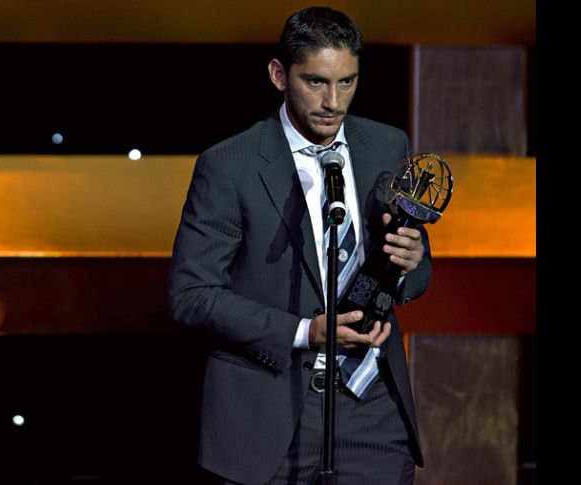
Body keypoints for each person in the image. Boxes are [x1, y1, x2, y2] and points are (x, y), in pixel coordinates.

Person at [169, 6, 430, 485]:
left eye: (347, 82)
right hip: (270, 414)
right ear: (278, 75)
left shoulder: (386, 145)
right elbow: (191, 296)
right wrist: (304, 332)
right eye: (316, 82)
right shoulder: (229, 165)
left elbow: (413, 268)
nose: (334, 101)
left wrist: (412, 262)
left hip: (372, 408)